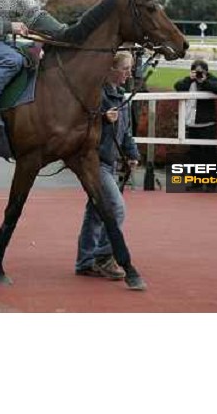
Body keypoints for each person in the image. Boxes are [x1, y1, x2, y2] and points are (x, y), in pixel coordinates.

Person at [75, 51, 139, 279]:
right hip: (95, 162)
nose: (129, 73)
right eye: (125, 69)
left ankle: (85, 260)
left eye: (130, 69)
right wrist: (102, 118)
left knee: (95, 212)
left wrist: (131, 153)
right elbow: (79, 124)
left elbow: (127, 131)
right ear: (111, 70)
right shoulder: (96, 94)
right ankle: (104, 256)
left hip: (109, 162)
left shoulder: (122, 97)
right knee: (115, 207)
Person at [174, 59, 217, 186]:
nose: (198, 74)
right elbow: (178, 87)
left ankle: (211, 183)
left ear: (206, 72)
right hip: (192, 123)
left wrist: (204, 81)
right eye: (195, 72)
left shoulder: (211, 79)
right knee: (194, 154)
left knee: (209, 154)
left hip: (207, 124)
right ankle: (196, 182)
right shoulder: (189, 81)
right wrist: (190, 79)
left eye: (200, 72)